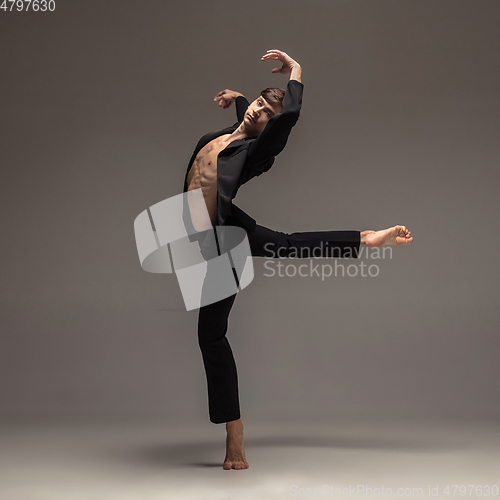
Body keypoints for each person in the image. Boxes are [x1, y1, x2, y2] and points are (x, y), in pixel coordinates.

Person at [182, 49, 413, 470]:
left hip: (224, 241)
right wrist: (240, 98)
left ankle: (235, 435)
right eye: (258, 102)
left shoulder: (254, 153)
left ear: (271, 127)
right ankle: (364, 239)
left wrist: (297, 74)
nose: (258, 110)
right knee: (283, 247)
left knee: (213, 335)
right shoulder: (232, 128)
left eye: (267, 111)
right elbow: (247, 115)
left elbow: (279, 122)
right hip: (206, 235)